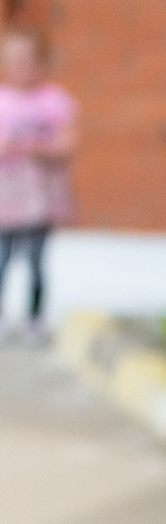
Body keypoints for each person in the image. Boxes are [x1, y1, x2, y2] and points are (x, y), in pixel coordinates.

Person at [0, 27, 75, 343]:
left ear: (42, 62)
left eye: (28, 59)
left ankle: (34, 318)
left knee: (35, 260)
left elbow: (68, 145)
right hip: (6, 197)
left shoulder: (54, 101)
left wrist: (38, 148)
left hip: (40, 197)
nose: (21, 66)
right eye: (14, 59)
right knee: (2, 259)